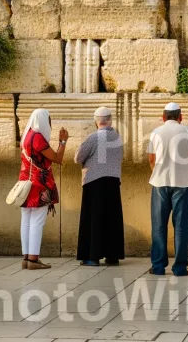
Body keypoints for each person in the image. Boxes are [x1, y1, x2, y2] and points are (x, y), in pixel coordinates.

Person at [148, 102, 188, 276]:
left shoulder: (156, 132)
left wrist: (159, 174)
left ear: (163, 117)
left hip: (160, 183)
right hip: (182, 183)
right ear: (181, 116)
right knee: (181, 226)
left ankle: (158, 266)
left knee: (158, 225)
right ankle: (179, 267)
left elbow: (151, 160)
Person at [75, 107, 125, 267]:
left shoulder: (93, 137)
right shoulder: (117, 138)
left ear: (96, 121)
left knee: (94, 219)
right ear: (110, 120)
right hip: (113, 181)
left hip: (94, 181)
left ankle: (92, 256)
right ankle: (112, 256)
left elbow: (78, 157)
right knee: (112, 218)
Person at [19, 109, 68, 270]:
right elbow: (57, 159)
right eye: (49, 120)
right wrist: (62, 142)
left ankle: (26, 258)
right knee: (37, 222)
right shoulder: (37, 138)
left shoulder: (27, 135)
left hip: (25, 183)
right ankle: (33, 260)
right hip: (38, 185)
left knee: (26, 221)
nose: (50, 124)